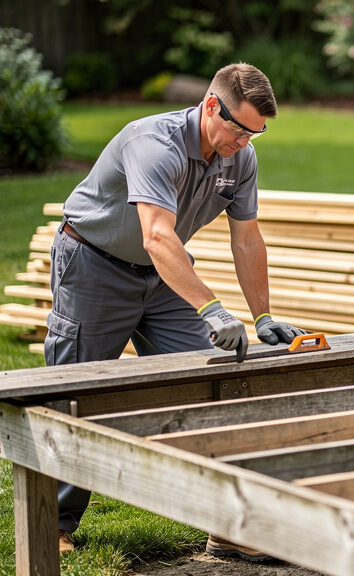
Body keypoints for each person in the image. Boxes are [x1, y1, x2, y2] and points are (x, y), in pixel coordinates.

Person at [47, 62, 305, 561]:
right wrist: (211, 307)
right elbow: (157, 235)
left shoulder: (240, 157)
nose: (246, 142)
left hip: (164, 274)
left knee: (217, 386)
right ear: (211, 106)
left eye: (258, 133)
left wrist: (264, 315)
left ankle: (229, 524)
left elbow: (247, 238)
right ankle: (53, 524)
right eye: (239, 128)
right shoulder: (153, 144)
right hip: (95, 264)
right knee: (71, 392)